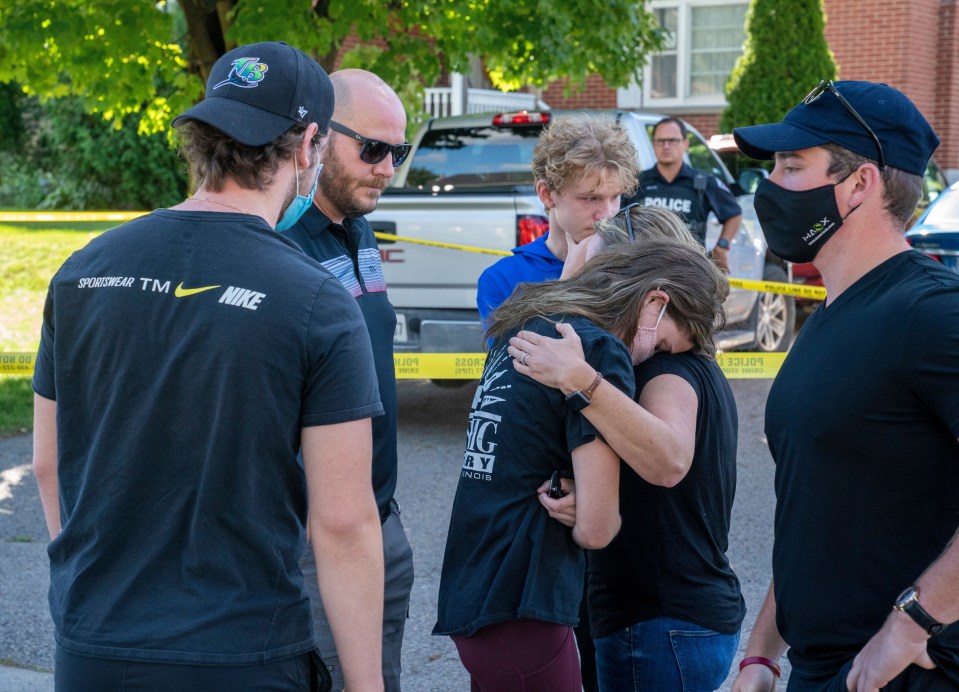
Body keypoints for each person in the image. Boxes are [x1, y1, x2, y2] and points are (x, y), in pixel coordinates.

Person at [31, 42, 385, 692]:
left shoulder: (82, 271)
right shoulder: (314, 302)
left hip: (94, 649)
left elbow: (50, 465)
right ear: (308, 143)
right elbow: (343, 523)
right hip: (241, 652)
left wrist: (85, 591)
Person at [728, 80, 959, 691]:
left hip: (900, 672)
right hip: (817, 667)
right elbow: (818, 508)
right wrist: (761, 651)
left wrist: (913, 624)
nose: (770, 187)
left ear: (861, 184)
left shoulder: (931, 313)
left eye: (791, 165)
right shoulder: (827, 318)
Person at [434, 238, 728, 691]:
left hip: (471, 589)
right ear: (655, 301)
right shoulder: (595, 351)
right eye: (665, 343)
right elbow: (597, 529)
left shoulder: (527, 324)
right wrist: (594, 501)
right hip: (526, 596)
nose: (654, 357)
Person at [508, 208, 743, 691]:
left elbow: (669, 461)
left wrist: (579, 379)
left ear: (655, 298)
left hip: (661, 621)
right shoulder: (679, 364)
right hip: (673, 619)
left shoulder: (667, 371)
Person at [282, 68, 413, 692]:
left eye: (399, 152)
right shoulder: (281, 240)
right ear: (316, 136)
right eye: (372, 149)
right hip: (318, 538)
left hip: (380, 523)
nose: (387, 168)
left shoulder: (359, 229)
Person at [475, 113, 638, 322]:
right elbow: (513, 354)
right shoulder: (504, 278)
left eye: (615, 197)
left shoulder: (636, 264)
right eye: (590, 198)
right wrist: (568, 285)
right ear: (546, 194)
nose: (607, 214)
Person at [624, 116, 742, 271]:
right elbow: (617, 218)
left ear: (685, 144)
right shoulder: (638, 182)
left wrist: (722, 246)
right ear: (654, 145)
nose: (666, 146)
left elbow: (734, 214)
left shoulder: (703, 182)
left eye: (673, 140)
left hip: (689, 270)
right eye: (661, 141)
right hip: (644, 269)